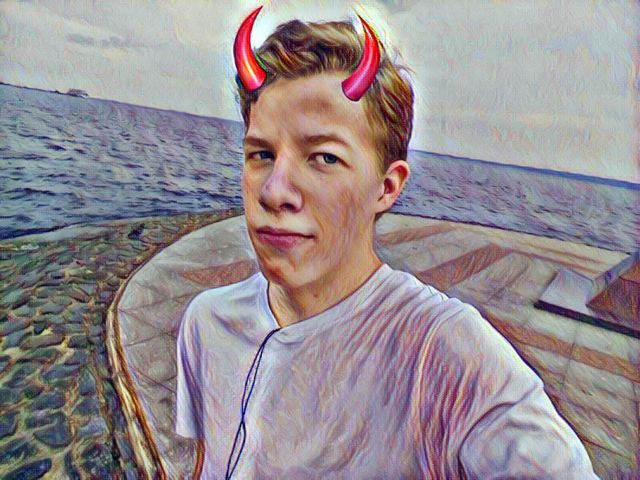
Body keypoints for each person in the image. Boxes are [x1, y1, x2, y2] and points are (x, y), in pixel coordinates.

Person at [175, 7, 600, 479]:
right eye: (261, 154)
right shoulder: (207, 322)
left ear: (386, 186)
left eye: (324, 158)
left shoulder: (442, 352)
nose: (274, 191)